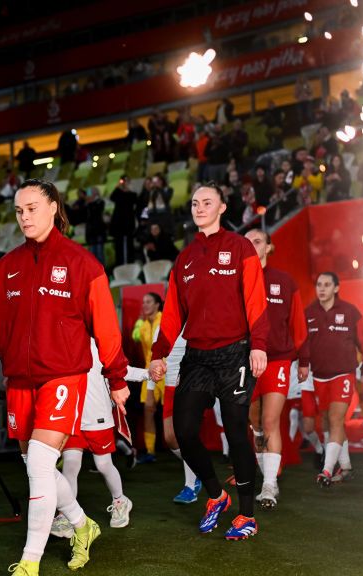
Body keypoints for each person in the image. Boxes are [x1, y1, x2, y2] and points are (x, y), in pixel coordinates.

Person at [0, 179, 130, 575]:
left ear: (54, 207)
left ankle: (29, 561)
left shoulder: (82, 264)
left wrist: (117, 378)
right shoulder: (5, 268)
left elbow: (106, 328)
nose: (25, 217)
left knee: (41, 464)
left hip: (64, 376)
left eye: (32, 208)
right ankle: (83, 525)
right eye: (20, 210)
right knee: (35, 466)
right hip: (20, 381)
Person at [148, 182, 269, 541]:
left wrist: (258, 345)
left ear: (221, 208)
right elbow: (172, 314)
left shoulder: (240, 246)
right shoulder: (185, 259)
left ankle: (246, 515)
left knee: (235, 432)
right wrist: (159, 354)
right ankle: (216, 495)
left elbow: (255, 300)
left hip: (236, 353)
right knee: (184, 431)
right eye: (196, 203)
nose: (200, 208)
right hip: (197, 356)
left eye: (207, 203)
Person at [52, 339, 141, 538]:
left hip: (98, 417)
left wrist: (147, 374)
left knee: (103, 465)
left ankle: (120, 500)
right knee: (70, 464)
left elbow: (122, 370)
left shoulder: (99, 343)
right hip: (74, 417)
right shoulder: (62, 341)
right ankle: (66, 514)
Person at [245, 230, 306, 509]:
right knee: (255, 422)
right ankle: (265, 466)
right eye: (246, 241)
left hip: (278, 360)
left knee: (270, 420)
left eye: (257, 241)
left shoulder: (285, 281)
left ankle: (270, 484)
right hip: (244, 360)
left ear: (269, 247)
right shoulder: (237, 279)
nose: (251, 245)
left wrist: (302, 359)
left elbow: (298, 324)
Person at [299, 272, 363, 487]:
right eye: (318, 285)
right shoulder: (309, 313)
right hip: (319, 375)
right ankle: (346, 465)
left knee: (335, 418)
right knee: (327, 421)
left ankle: (326, 470)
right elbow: (302, 343)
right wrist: (303, 363)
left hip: (343, 373)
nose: (321, 289)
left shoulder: (350, 312)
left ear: (336, 288)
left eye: (326, 285)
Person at [162, 332, 202, 503]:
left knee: (184, 436)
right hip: (169, 385)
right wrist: (150, 387)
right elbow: (156, 356)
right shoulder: (164, 325)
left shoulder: (193, 322)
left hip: (189, 384)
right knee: (170, 439)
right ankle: (200, 469)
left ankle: (190, 486)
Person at [132, 293, 164, 464]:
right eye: (143, 302)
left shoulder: (165, 319)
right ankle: (150, 451)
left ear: (157, 304)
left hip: (168, 371)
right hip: (149, 373)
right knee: (148, 411)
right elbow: (134, 337)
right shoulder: (143, 325)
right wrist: (138, 322)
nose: (145, 305)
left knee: (172, 413)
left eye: (148, 302)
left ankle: (182, 448)